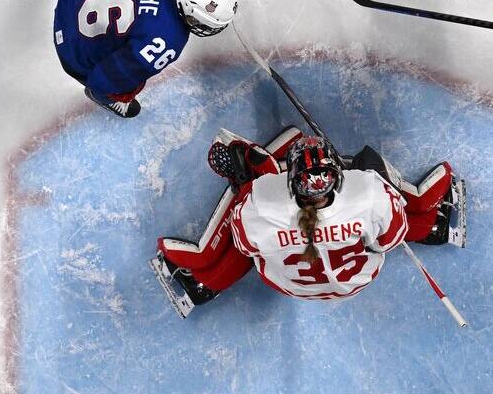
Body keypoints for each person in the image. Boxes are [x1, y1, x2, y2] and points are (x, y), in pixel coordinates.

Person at [150, 127, 467, 318]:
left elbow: (246, 246)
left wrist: (245, 185)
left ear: (290, 182)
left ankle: (205, 283)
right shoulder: (367, 189)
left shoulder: (263, 199)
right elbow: (388, 240)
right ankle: (436, 227)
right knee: (372, 167)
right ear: (338, 177)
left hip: (288, 285)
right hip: (356, 282)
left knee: (252, 239)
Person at [53, 0, 238, 118]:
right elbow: (110, 76)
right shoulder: (167, 40)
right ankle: (107, 99)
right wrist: (101, 91)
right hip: (71, 48)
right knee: (129, 78)